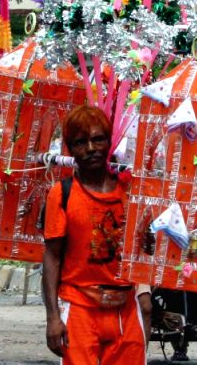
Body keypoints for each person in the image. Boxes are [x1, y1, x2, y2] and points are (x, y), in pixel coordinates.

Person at [41, 105, 143, 365]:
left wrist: (145, 296)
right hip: (80, 306)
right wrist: (53, 318)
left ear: (109, 142)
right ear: (70, 149)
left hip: (126, 308)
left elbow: (145, 247)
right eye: (80, 142)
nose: (90, 148)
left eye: (97, 139)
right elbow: (51, 259)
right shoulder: (61, 194)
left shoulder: (129, 190)